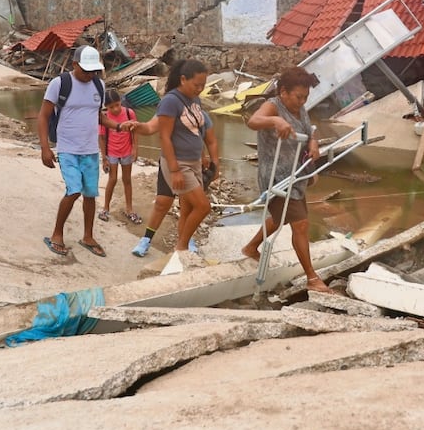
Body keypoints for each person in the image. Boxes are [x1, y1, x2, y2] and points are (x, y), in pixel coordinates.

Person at [240, 67, 334, 294]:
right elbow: (253, 121)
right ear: (283, 92)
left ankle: (251, 247)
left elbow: (310, 130)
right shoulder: (274, 105)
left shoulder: (300, 109)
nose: (302, 102)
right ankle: (312, 277)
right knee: (300, 225)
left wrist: (313, 143)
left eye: (305, 97)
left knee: (280, 218)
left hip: (296, 175)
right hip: (276, 178)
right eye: (298, 96)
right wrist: (274, 121)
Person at [37, 45, 131, 258]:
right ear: (74, 65)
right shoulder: (60, 84)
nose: (90, 75)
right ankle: (57, 234)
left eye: (94, 71)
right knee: (74, 190)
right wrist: (45, 148)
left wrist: (117, 126)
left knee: (90, 194)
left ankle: (88, 236)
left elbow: (97, 116)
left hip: (90, 151)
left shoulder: (98, 85)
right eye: (86, 70)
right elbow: (43, 116)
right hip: (68, 148)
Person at [151, 59, 219, 252]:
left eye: (203, 86)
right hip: (179, 164)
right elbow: (164, 137)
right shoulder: (170, 101)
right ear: (183, 79)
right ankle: (181, 247)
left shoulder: (194, 100)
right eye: (196, 85)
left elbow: (198, 131)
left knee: (188, 209)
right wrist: (175, 171)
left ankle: (182, 246)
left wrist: (210, 159)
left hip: (194, 162)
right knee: (203, 207)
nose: (199, 89)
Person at [130, 113, 217, 257]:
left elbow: (206, 140)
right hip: (170, 164)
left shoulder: (201, 115)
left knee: (187, 207)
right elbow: (151, 128)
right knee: (162, 202)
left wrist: (210, 162)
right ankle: (146, 240)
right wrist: (138, 126)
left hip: (192, 165)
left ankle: (185, 241)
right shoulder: (170, 108)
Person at [98, 88, 141, 225]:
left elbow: (135, 132)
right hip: (112, 153)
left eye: (117, 105)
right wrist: (104, 158)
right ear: (106, 107)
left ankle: (129, 209)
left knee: (127, 180)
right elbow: (102, 137)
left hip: (127, 151)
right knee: (112, 179)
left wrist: (135, 148)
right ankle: (105, 208)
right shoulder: (105, 117)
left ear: (120, 101)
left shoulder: (129, 113)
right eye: (111, 107)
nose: (115, 109)